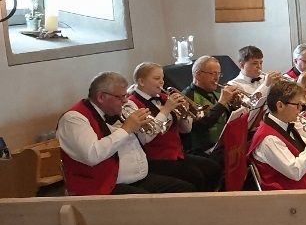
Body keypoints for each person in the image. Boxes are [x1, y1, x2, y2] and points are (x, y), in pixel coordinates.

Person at [57, 72, 196, 195]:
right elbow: (92, 155)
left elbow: (144, 138)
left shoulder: (118, 111)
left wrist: (141, 126)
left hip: (139, 179)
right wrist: (126, 129)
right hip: (102, 188)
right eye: (121, 97)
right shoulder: (74, 119)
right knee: (152, 207)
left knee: (186, 190)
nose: (125, 101)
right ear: (101, 97)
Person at [126, 62, 223, 191]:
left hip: (176, 153)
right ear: (141, 81)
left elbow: (186, 130)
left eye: (162, 78)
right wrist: (166, 110)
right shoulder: (131, 104)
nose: (161, 82)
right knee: (195, 176)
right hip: (155, 158)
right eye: (156, 79)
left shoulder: (164, 97)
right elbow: (145, 137)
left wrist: (185, 114)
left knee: (213, 168)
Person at [184, 55, 248, 155]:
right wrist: (221, 103)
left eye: (218, 74)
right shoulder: (187, 97)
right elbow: (200, 126)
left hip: (223, 145)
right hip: (203, 150)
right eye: (213, 73)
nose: (217, 78)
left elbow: (227, 119)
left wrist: (234, 107)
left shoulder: (216, 93)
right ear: (198, 75)